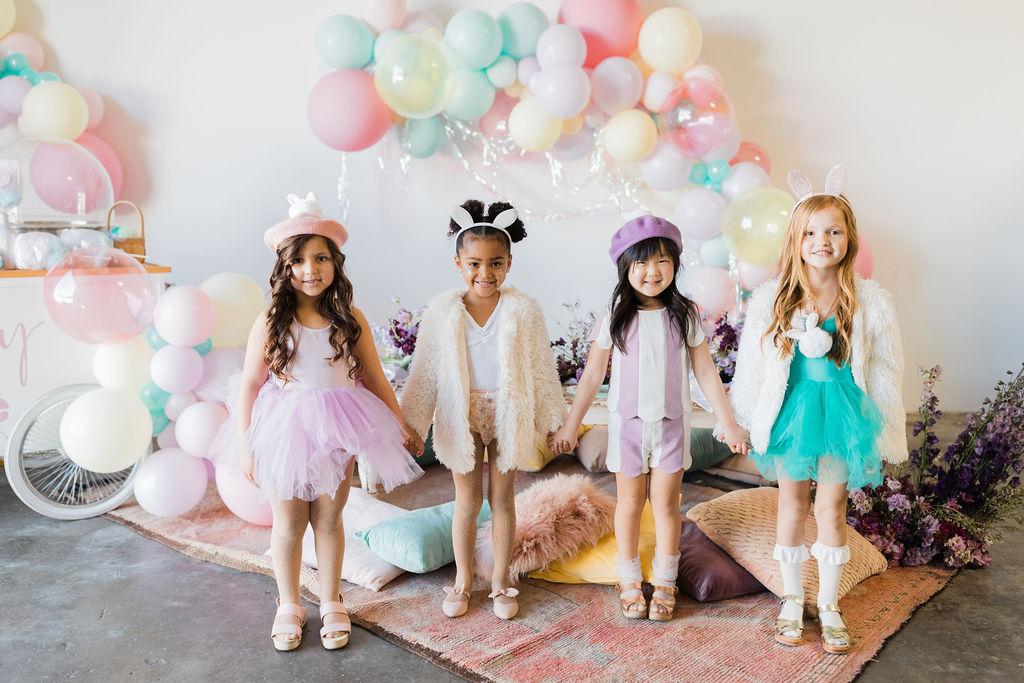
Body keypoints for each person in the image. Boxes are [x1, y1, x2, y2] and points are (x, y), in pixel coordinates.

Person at [223, 193, 424, 651]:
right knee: (289, 521)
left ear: (336, 264)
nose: (310, 269)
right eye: (298, 260)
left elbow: (373, 377)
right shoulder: (273, 320)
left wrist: (400, 424)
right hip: (284, 429)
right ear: (284, 267)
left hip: (337, 424)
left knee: (330, 518)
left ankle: (332, 600)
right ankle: (289, 603)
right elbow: (251, 384)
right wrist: (246, 444)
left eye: (321, 258)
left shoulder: (350, 319)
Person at [729, 165, 906, 654]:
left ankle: (828, 603)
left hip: (843, 416)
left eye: (833, 231)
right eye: (810, 232)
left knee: (831, 508)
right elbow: (752, 369)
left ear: (849, 237)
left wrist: (887, 425)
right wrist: (746, 420)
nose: (822, 241)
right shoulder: (774, 298)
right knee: (791, 505)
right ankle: (791, 597)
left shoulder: (867, 300)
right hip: (793, 414)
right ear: (795, 238)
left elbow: (886, 367)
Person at [549, 215, 749, 622]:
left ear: (675, 264)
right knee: (629, 503)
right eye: (641, 262)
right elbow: (592, 375)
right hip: (628, 427)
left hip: (672, 426)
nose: (652, 271)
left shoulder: (685, 314)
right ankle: (628, 579)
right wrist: (571, 425)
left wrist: (727, 422)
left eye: (662, 261)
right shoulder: (615, 314)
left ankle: (665, 581)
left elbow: (705, 370)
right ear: (626, 267)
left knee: (667, 504)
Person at [400, 199, 566, 621]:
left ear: (508, 264)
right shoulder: (442, 312)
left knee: (503, 498)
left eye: (495, 264)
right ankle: (462, 581)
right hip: (462, 414)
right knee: (467, 499)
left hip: (508, 411)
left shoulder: (523, 311)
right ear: (458, 263)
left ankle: (500, 582)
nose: (485, 273)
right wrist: (412, 425)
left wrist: (553, 423)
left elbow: (542, 368)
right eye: (474, 264)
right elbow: (425, 373)